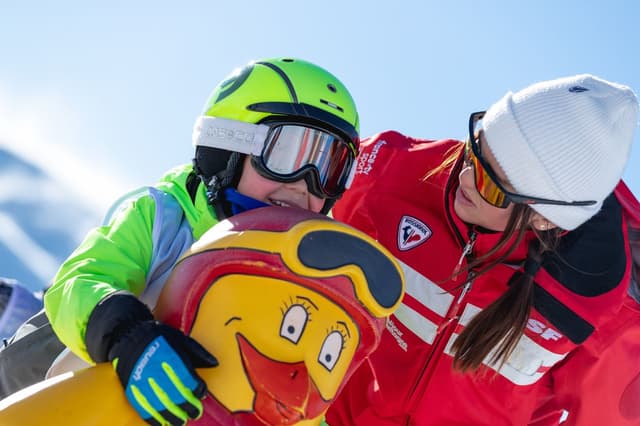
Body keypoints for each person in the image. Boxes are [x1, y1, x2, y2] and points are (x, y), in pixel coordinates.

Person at [12, 57, 361, 426]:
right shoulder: (163, 218)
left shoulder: (307, 290)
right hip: (74, 402)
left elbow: (303, 405)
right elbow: (78, 283)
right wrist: (128, 334)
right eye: (288, 153)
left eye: (331, 168)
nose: (305, 183)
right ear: (229, 144)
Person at [325, 74, 640, 425]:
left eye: (491, 184)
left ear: (544, 219)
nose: (463, 179)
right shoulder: (395, 173)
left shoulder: (593, 300)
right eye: (473, 151)